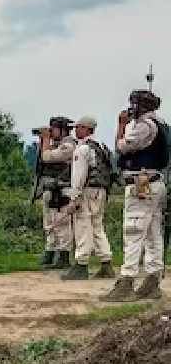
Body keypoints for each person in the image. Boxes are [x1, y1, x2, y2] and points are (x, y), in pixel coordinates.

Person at [102, 90, 168, 301]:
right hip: (155, 181)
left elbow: (123, 147)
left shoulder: (143, 126)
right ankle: (152, 280)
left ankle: (127, 281)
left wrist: (121, 125)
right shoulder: (161, 124)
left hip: (141, 181)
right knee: (152, 233)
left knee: (133, 230)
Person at [60, 116, 115, 280]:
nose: (76, 130)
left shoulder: (82, 149)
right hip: (101, 191)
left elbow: (79, 176)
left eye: (78, 127)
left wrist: (74, 197)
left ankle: (81, 265)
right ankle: (106, 262)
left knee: (83, 226)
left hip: (87, 191)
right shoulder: (102, 147)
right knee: (97, 227)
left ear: (86, 129)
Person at [36, 118, 77, 269]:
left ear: (63, 129)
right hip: (50, 189)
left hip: (63, 190)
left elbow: (47, 157)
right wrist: (44, 142)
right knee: (49, 222)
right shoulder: (54, 145)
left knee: (62, 223)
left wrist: (45, 140)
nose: (51, 132)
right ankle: (50, 251)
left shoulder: (69, 145)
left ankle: (64, 255)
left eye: (53, 129)